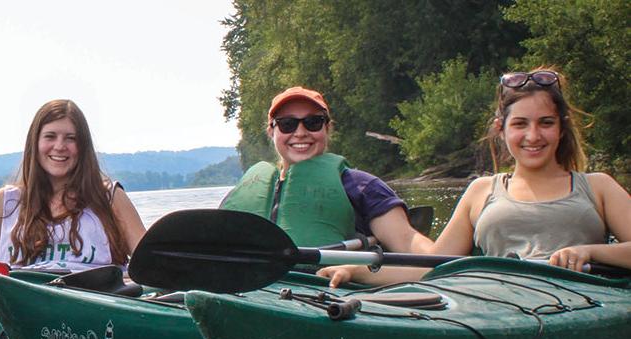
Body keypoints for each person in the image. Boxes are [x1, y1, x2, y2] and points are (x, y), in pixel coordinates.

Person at [320, 68, 631, 287]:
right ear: (501, 129)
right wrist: (359, 271)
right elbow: (434, 268)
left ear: (561, 128)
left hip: (579, 301)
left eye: (546, 123)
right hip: (494, 307)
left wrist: (589, 251)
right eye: (520, 124)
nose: (533, 135)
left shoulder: (598, 186)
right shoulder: (480, 191)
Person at [221, 86, 432, 252]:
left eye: (313, 122)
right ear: (271, 131)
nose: (301, 132)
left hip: (328, 292)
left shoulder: (362, 187)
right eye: (287, 124)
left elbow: (407, 242)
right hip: (254, 291)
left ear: (327, 128)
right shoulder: (241, 193)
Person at [0, 99, 146, 271]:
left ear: (83, 146)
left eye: (71, 138)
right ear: (35, 142)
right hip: (19, 296)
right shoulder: (5, 202)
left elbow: (152, 268)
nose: (60, 146)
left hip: (93, 296)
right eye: (50, 136)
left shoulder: (110, 198)